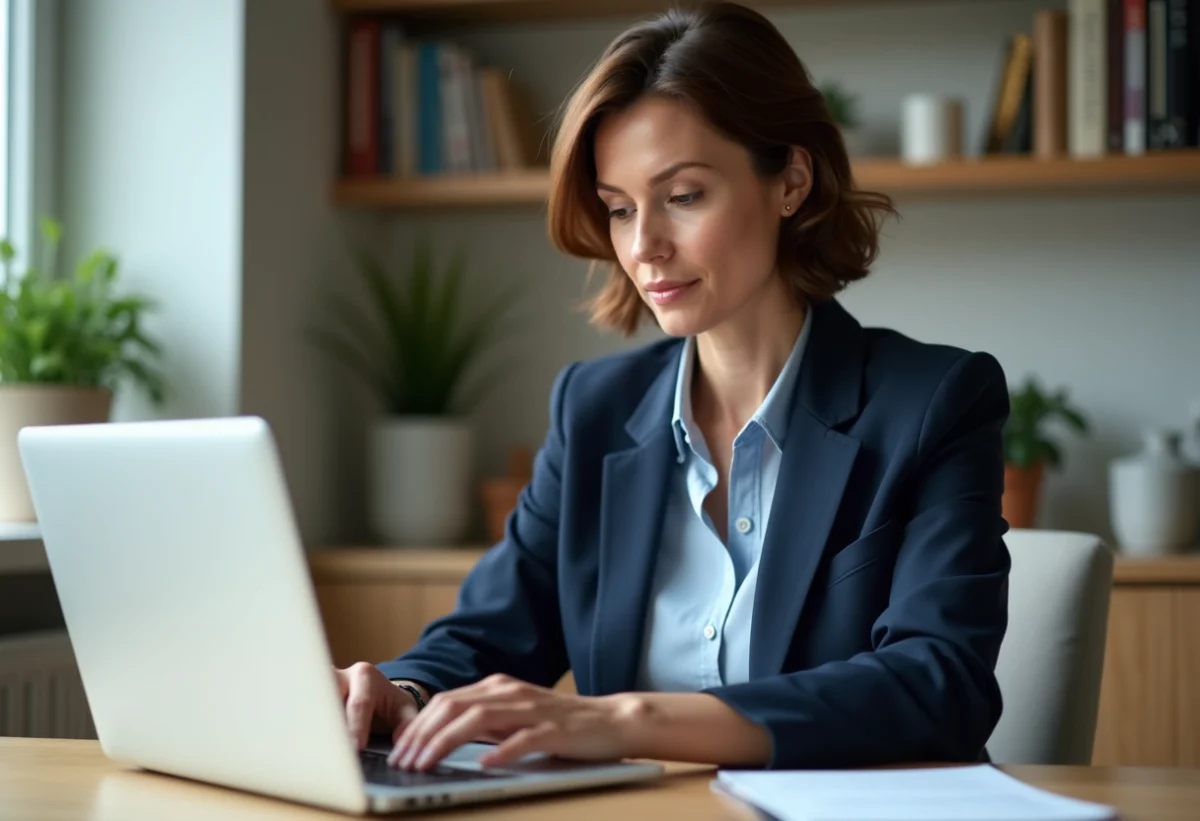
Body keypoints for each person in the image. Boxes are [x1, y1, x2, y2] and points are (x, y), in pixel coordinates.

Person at [335, 1, 1011, 773]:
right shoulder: (594, 410)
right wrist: (401, 690)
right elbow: (488, 633)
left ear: (791, 178)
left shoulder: (935, 402)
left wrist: (627, 720)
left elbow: (939, 685)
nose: (643, 246)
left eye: (683, 196)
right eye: (620, 208)